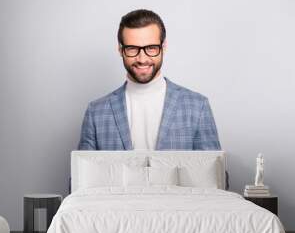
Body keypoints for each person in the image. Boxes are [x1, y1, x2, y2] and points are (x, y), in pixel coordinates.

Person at [78, 9, 221, 151]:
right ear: (120, 50)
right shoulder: (95, 112)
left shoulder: (197, 106)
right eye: (132, 48)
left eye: (151, 48)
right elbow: (81, 173)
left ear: (163, 47)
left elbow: (215, 171)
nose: (142, 59)